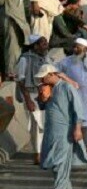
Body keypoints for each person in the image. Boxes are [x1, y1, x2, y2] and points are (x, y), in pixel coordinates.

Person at [36, 64, 87, 189]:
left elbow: (77, 110)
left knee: (59, 163)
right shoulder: (47, 88)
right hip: (51, 132)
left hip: (64, 132)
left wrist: (77, 128)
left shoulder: (67, 88)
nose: (42, 79)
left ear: (52, 74)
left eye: (44, 76)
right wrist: (42, 97)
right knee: (57, 163)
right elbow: (43, 106)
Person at [15, 35, 52, 164]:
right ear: (35, 46)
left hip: (45, 95)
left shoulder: (46, 58)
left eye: (46, 43)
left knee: (45, 124)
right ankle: (37, 154)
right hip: (31, 94)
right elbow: (20, 80)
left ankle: (44, 152)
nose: (46, 45)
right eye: (43, 43)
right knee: (36, 125)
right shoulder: (25, 59)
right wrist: (28, 100)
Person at [0, 0, 31, 79]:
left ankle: (15, 71)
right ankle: (10, 72)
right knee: (11, 47)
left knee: (18, 46)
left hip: (19, 18)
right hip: (10, 17)